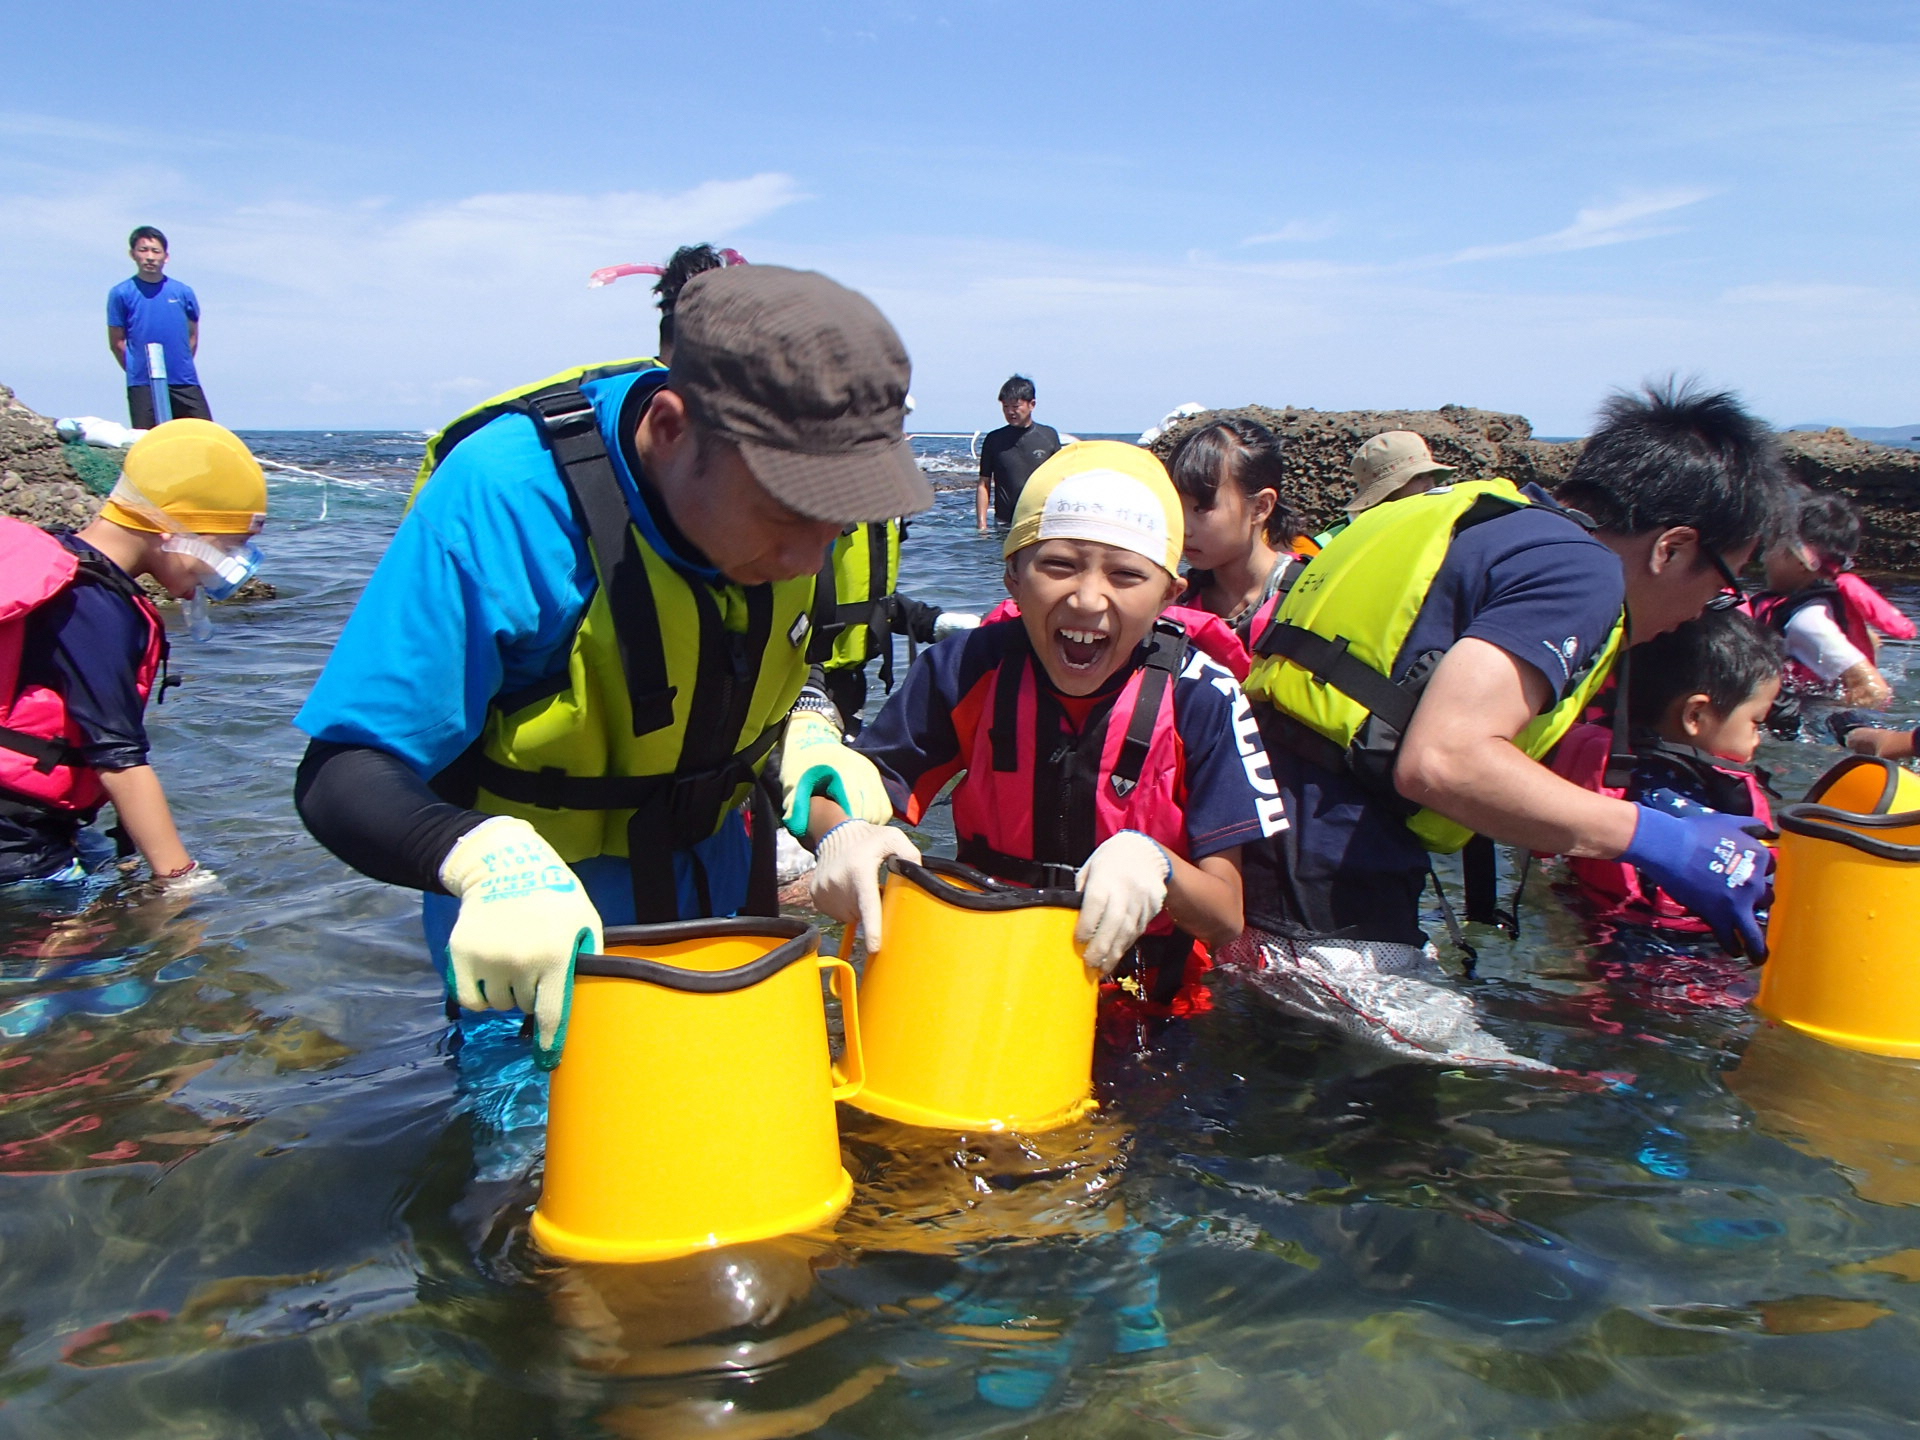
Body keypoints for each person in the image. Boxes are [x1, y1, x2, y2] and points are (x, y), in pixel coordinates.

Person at [293, 265, 930, 1066]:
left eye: (838, 526)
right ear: (670, 429)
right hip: (545, 951)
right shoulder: (505, 501)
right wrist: (480, 859)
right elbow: (342, 771)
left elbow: (746, 682)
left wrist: (836, 821)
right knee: (533, 1176)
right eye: (785, 515)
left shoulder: (796, 527)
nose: (812, 557)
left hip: (730, 923)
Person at [1237, 382, 1791, 1003]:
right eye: (1722, 583)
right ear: (1673, 547)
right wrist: (1658, 841)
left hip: (1256, 847)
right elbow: (1443, 762)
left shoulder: (1478, 518)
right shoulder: (1584, 570)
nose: (1706, 610)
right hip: (1329, 887)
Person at [804, 441, 1286, 997]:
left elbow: (1225, 915)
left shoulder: (1203, 695)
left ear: (1169, 596)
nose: (1087, 599)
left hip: (1149, 1002)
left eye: (1127, 576)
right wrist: (839, 833)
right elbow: (842, 793)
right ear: (1013, 574)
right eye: (1058, 565)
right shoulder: (966, 669)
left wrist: (1159, 867)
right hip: (994, 974)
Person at [0, 419, 265, 886]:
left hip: (32, 816)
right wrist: (181, 880)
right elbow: (118, 759)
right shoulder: (93, 607)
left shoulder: (73, 567)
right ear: (170, 530)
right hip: (16, 841)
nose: (226, 569)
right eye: (227, 547)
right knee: (92, 949)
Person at [1546, 609, 1782, 933]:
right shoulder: (1678, 801)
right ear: (1695, 715)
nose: (1757, 740)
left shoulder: (1620, 771)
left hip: (1596, 921)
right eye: (1756, 723)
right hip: (1664, 951)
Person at [1169, 417, 1311, 648]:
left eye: (1201, 508)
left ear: (1260, 507)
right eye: (1175, 505)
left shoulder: (1307, 594)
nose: (1183, 527)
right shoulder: (1175, 602)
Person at [1750, 489, 1896, 710]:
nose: (1764, 557)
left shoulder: (1807, 622)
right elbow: (1872, 642)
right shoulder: (1820, 610)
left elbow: (1874, 690)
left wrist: (1842, 734)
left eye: (1771, 544)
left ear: (1800, 560)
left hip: (1812, 724)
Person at [107, 227, 212, 429]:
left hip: (183, 379)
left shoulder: (183, 292)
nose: (150, 257)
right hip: (141, 382)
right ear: (133, 254)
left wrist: (181, 363)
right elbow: (116, 342)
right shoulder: (121, 293)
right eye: (143, 250)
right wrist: (135, 369)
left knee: (201, 434)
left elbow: (192, 336)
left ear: (166, 257)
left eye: (156, 251)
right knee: (149, 439)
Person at [1313, 430, 1456, 545]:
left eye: (1431, 475)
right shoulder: (1328, 546)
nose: (1430, 486)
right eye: (1418, 477)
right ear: (1387, 491)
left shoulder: (1437, 535)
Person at [976, 376, 1061, 530]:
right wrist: (982, 525)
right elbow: (984, 483)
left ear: (1032, 404)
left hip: (1040, 520)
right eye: (1005, 406)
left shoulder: (1048, 436)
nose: (1010, 412)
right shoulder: (994, 439)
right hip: (1004, 522)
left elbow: (1059, 480)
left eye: (1015, 406)